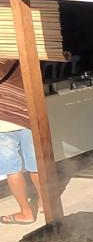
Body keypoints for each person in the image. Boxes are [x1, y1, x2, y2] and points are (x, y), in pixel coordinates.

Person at [0, 59, 42, 224]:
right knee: (36, 166)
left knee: (13, 170)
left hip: (3, 122)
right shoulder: (22, 54)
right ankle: (44, 203)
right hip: (27, 116)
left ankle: (26, 212)